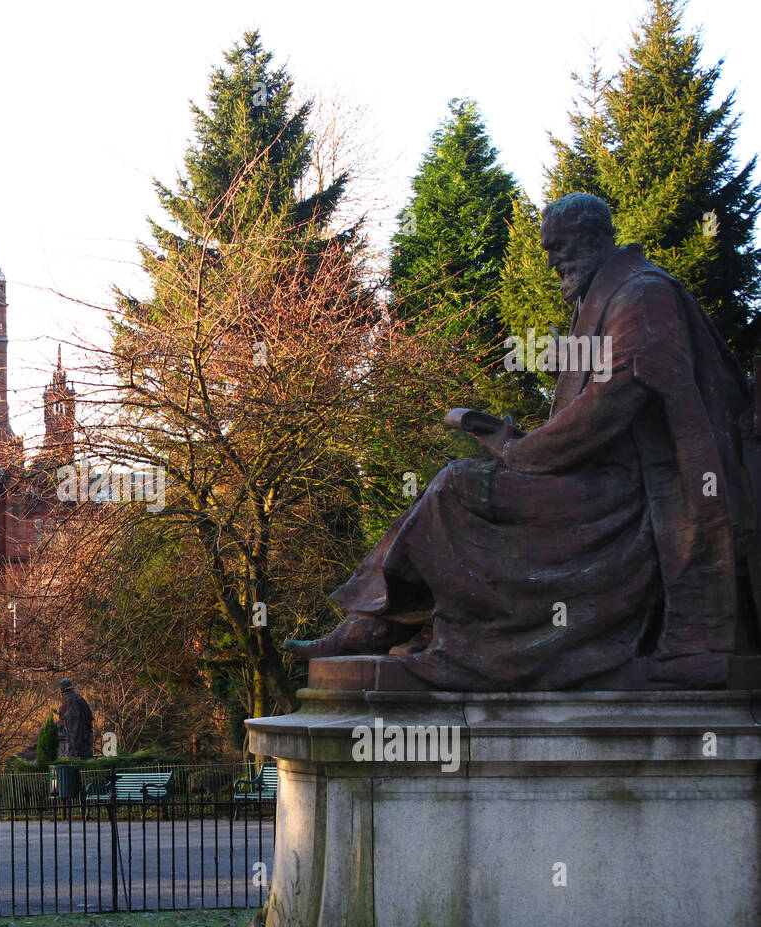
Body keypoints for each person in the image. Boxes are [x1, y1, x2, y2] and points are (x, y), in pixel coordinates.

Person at [284, 192, 761, 690]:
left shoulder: (641, 294)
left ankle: (391, 628)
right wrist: (509, 438)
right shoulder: (603, 294)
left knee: (457, 486)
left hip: (630, 497)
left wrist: (518, 452)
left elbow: (609, 408)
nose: (551, 260)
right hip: (593, 480)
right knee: (457, 483)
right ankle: (377, 624)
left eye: (559, 246)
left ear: (596, 239)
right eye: (546, 248)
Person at [56, 678, 94, 758]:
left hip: (73, 738)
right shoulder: (79, 698)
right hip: (83, 737)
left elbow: (64, 717)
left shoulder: (68, 700)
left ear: (62, 689)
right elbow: (89, 717)